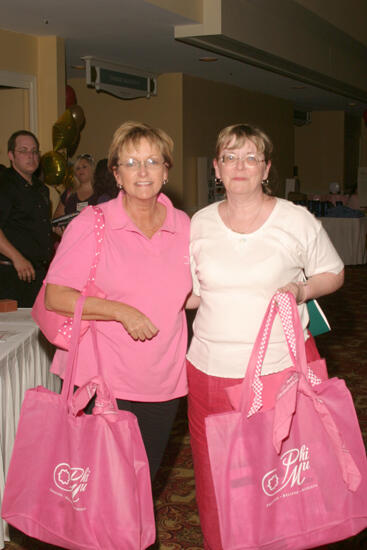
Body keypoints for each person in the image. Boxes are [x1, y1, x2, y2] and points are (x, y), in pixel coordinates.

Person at [186, 123, 344, 550]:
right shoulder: (198, 224)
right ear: (216, 167)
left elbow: (334, 272)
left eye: (251, 157)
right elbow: (194, 296)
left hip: (277, 373)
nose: (240, 166)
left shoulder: (294, 219)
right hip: (207, 372)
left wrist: (301, 289)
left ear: (266, 167)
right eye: (230, 157)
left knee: (273, 481)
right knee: (216, 481)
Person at [44, 121, 192, 481]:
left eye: (153, 161)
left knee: (143, 483)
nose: (142, 172)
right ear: (117, 174)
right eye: (131, 163)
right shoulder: (93, 223)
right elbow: (55, 295)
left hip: (163, 379)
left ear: (166, 170)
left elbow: (188, 295)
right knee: (106, 486)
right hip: (104, 379)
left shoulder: (184, 225)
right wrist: (120, 312)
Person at [0, 130, 53, 307]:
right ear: (11, 155)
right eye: (23, 151)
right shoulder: (4, 184)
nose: (31, 156)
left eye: (34, 151)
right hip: (12, 273)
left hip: (38, 273)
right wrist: (17, 258)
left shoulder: (41, 189)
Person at [52, 153, 97, 219]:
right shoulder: (69, 193)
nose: (80, 170)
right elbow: (57, 216)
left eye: (84, 167)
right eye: (77, 168)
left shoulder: (100, 191)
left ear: (92, 169)